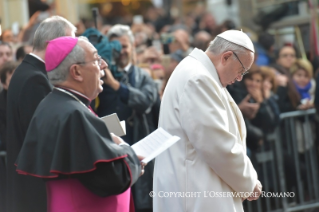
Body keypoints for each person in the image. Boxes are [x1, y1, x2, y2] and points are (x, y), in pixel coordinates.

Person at [15, 36, 142, 212]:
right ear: (76, 72)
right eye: (97, 59)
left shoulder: (55, 104)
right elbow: (113, 179)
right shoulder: (74, 113)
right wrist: (127, 151)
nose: (104, 65)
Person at [153, 30, 262, 212]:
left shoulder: (198, 71)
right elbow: (217, 144)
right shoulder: (199, 78)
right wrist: (249, 181)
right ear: (226, 57)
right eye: (241, 70)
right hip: (196, 191)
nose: (239, 78)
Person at [6, 16, 76, 212]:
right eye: (69, 44)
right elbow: (42, 136)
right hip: (33, 185)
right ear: (51, 44)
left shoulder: (27, 71)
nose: (72, 51)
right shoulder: (35, 79)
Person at [96, 24, 158, 212]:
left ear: (132, 47)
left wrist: (117, 86)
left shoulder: (143, 76)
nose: (120, 51)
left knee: (142, 201)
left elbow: (146, 101)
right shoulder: (100, 76)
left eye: (124, 46)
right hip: (110, 150)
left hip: (139, 146)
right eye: (116, 46)